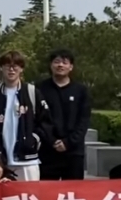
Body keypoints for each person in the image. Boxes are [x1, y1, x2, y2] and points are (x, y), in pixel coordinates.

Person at [0, 51, 52, 182]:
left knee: (29, 194)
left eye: (15, 66)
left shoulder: (31, 92)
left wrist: (33, 140)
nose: (11, 70)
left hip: (27, 160)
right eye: (7, 66)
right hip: (0, 160)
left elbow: (46, 121)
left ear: (21, 68)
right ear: (1, 68)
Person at [37, 49, 92, 181]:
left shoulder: (81, 91)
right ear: (51, 65)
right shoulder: (39, 88)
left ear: (71, 67)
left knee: (73, 191)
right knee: (47, 191)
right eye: (56, 62)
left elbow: (83, 121)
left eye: (64, 62)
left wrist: (68, 142)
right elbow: (38, 119)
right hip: (47, 151)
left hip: (73, 152)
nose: (60, 65)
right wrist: (52, 140)